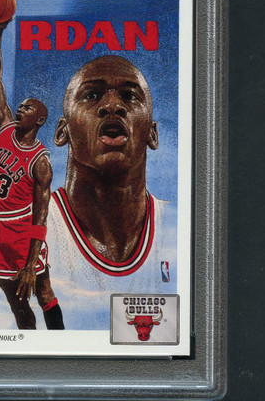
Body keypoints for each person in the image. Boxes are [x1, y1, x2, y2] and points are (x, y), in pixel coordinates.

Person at [45, 55, 175, 329]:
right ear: (62, 132)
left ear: (152, 134)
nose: (113, 106)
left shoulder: (180, 228)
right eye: (91, 95)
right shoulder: (30, 228)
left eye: (129, 96)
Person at [0, 19, 64, 330]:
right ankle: (29, 351)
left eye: (28, 108)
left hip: (20, 231)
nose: (20, 108)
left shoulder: (40, 162)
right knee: (17, 305)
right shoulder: (2, 126)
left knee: (43, 292)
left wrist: (30, 263)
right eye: (22, 105)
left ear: (40, 119)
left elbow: (40, 216)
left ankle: (61, 346)